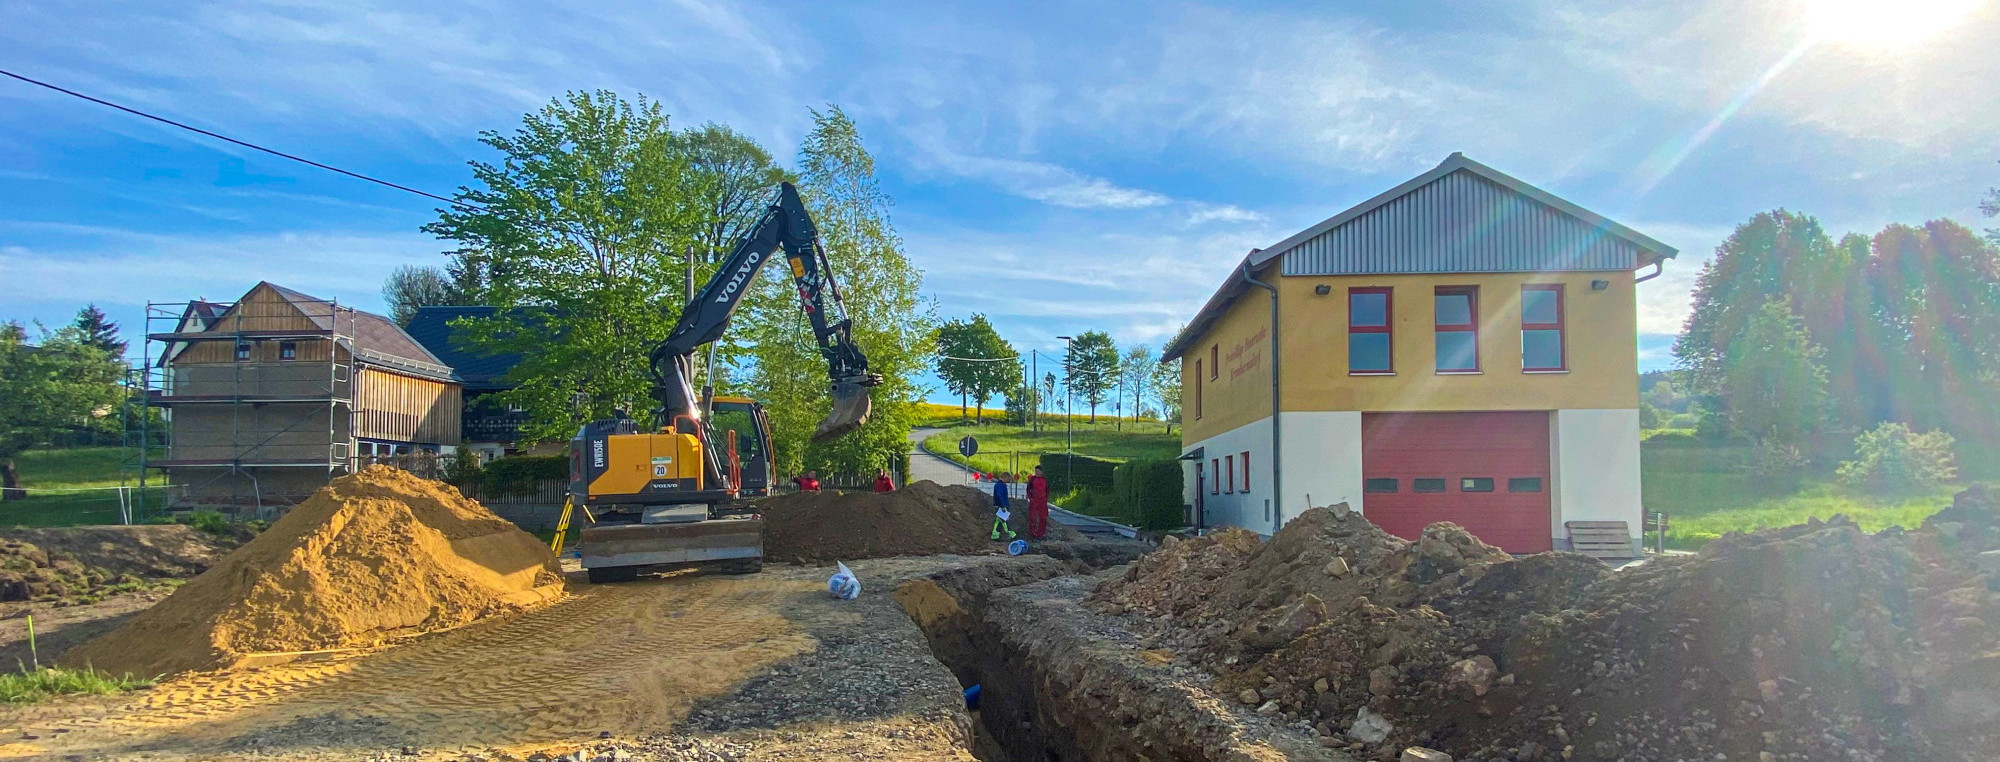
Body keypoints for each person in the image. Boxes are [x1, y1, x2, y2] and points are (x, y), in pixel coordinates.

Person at [989, 472, 1017, 541]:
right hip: (1001, 507)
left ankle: (995, 535)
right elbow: (1000, 496)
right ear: (1005, 477)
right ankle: (1012, 534)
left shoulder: (999, 485)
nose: (1008, 481)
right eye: (1008, 479)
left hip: (999, 506)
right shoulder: (1000, 485)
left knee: (999, 521)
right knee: (1004, 521)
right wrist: (1003, 506)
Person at [1025, 465, 1051, 540]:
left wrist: (1046, 499)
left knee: (1043, 518)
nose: (1036, 473)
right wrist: (1030, 498)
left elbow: (1048, 490)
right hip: (1034, 501)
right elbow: (1028, 489)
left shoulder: (1045, 480)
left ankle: (1040, 534)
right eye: (1035, 471)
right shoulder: (1032, 479)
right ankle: (1033, 534)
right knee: (1033, 517)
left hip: (1042, 502)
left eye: (1037, 471)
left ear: (1042, 472)